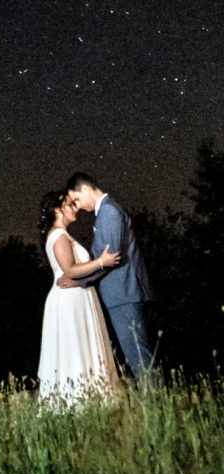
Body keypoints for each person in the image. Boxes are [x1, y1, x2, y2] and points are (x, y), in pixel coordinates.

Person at [58, 173, 155, 380]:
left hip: (124, 292)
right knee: (136, 355)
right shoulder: (106, 212)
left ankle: (156, 406)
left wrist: (78, 281)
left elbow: (111, 258)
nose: (79, 206)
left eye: (76, 199)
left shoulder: (109, 211)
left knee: (138, 356)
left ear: (85, 189)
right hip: (122, 293)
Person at [37, 191, 120, 406]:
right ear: (58, 209)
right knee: (74, 348)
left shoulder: (64, 234)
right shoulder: (58, 236)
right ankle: (76, 402)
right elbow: (70, 270)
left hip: (78, 296)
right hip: (69, 300)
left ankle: (94, 398)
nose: (75, 208)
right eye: (70, 205)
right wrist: (102, 262)